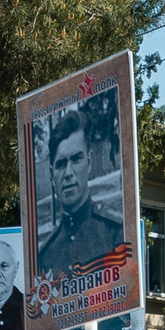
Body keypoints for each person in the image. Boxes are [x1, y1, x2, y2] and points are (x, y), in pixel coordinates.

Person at [36, 114, 129, 276]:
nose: (68, 173)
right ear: (51, 175)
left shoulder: (115, 231)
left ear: (89, 162)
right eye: (61, 164)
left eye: (76, 159)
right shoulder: (46, 254)